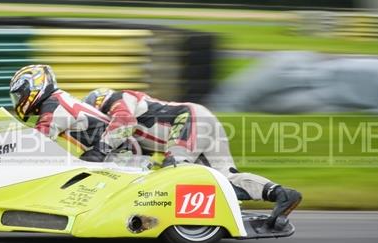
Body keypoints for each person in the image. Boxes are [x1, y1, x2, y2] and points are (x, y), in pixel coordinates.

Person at [84, 88, 302, 230]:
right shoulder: (128, 128)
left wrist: (99, 151)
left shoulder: (115, 99)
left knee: (176, 169)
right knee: (223, 178)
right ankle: (281, 194)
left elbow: (124, 122)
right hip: (201, 121)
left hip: (188, 118)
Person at [8, 64, 133, 162]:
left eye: (19, 95)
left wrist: (9, 150)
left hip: (117, 155)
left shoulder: (53, 105)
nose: (18, 101)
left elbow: (40, 137)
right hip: (113, 151)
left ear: (32, 87)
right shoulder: (56, 99)